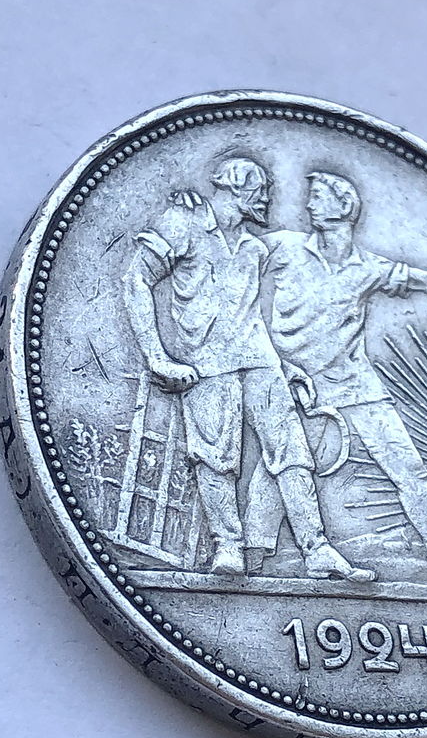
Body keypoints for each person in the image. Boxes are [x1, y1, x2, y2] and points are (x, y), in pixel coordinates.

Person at [244, 170, 427, 588]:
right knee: (278, 466)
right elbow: (232, 256)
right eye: (310, 196)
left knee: (410, 470)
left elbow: (426, 281)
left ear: (344, 207)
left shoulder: (368, 268)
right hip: (295, 383)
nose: (308, 203)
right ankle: (251, 559)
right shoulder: (284, 246)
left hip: (357, 385)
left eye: (318, 196)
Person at [122, 158, 372, 581]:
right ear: (236, 187)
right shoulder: (182, 222)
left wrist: (284, 365)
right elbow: (135, 281)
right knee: (215, 457)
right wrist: (156, 357)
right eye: (261, 190)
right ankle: (227, 546)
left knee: (293, 453)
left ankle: (318, 550)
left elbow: (249, 316)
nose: (268, 199)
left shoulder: (255, 249)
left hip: (260, 363)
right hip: (205, 366)